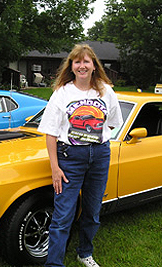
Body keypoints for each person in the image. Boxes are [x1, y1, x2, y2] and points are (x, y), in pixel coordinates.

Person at [38, 44, 123, 267]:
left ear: (94, 66)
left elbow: (112, 124)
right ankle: (54, 264)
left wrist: (94, 140)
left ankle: (85, 253)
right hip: (69, 158)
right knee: (63, 215)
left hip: (100, 156)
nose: (82, 65)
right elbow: (50, 133)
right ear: (72, 66)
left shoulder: (106, 91)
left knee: (93, 211)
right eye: (77, 62)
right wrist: (55, 168)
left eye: (86, 61)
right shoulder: (62, 92)